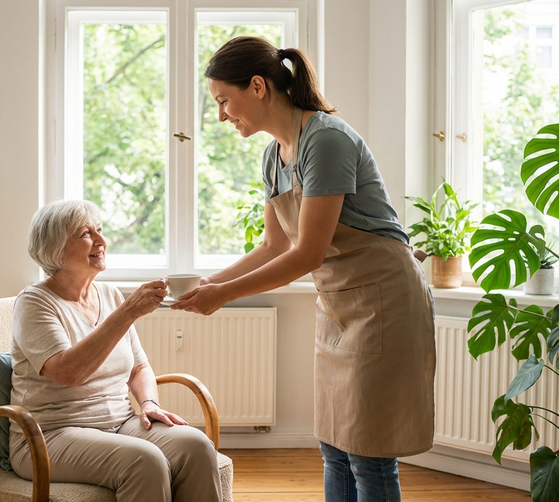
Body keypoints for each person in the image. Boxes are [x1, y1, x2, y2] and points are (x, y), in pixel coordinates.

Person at [172, 36, 436, 501]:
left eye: (223, 101)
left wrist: (223, 296)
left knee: (369, 455)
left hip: (384, 300)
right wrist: (206, 284)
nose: (220, 116)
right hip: (337, 305)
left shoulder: (327, 140)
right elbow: (274, 245)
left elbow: (307, 254)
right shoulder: (274, 155)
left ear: (257, 86)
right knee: (334, 447)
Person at [9, 199, 222, 502]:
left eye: (100, 230)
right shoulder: (34, 302)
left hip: (121, 423)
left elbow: (139, 367)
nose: (101, 241)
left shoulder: (109, 294)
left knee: (196, 447)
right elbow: (67, 372)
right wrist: (127, 314)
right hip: (50, 435)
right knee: (145, 461)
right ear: (56, 248)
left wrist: (148, 402)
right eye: (86, 234)